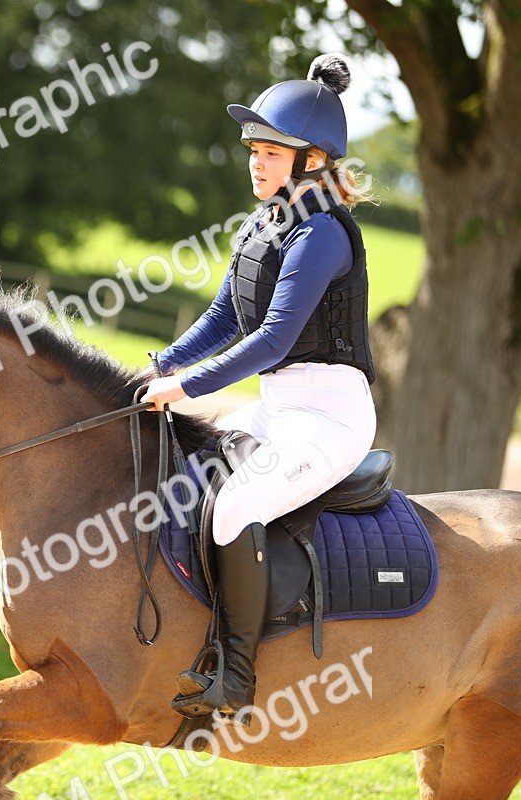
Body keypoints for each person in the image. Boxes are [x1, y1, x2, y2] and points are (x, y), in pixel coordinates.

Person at [139, 53, 376, 723]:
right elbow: (221, 319)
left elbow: (271, 339)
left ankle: (236, 676)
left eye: (272, 150)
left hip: (328, 419)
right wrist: (162, 365)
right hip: (279, 407)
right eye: (254, 148)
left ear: (313, 160)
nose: (257, 160)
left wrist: (184, 388)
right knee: (192, 475)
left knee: (236, 507)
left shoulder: (322, 234)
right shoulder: (266, 223)